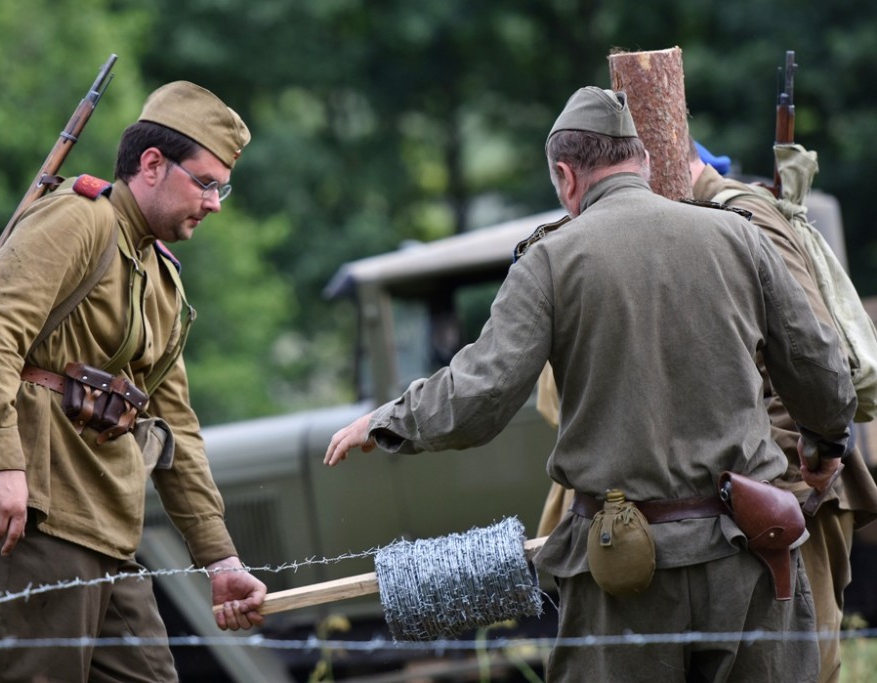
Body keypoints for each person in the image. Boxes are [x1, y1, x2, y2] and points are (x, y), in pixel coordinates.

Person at [325, 86, 856, 682]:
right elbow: (820, 369)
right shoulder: (739, 237)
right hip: (749, 556)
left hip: (625, 570)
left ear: (565, 174)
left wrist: (389, 419)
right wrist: (823, 449)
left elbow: (481, 394)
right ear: (644, 160)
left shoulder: (549, 261)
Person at [0, 81, 267, 682]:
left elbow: (177, 430)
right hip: (31, 502)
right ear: (152, 164)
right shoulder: (80, 218)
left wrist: (219, 558)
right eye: (206, 183)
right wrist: (0, 461)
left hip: (101, 523)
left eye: (222, 187)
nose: (215, 203)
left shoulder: (164, 281)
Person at [689, 139, 877, 683]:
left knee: (805, 667)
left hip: (793, 494)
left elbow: (816, 357)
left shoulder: (740, 215)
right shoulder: (693, 223)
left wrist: (787, 474)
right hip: (755, 497)